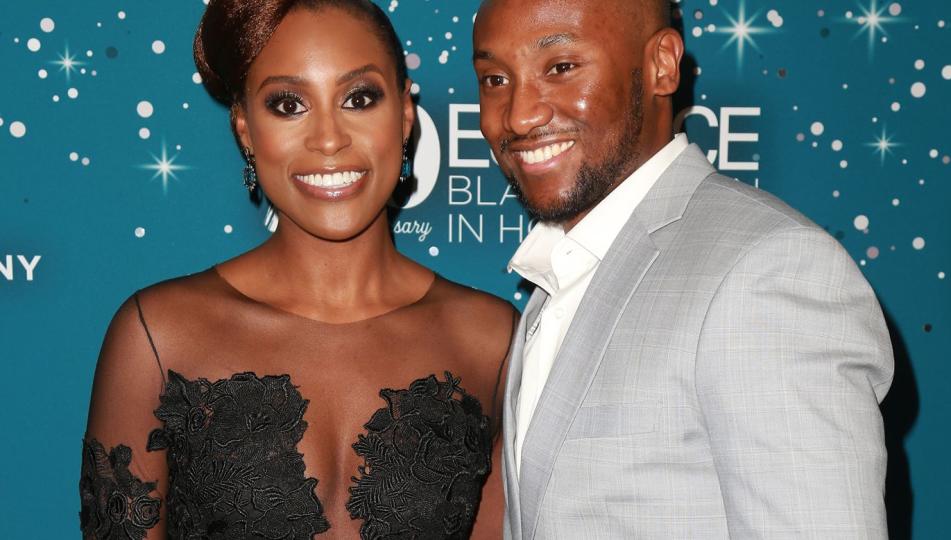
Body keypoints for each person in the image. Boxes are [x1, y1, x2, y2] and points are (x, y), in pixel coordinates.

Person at [80, 1, 515, 538]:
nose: (328, 139)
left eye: (359, 98)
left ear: (404, 115)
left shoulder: (491, 339)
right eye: (288, 105)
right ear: (245, 129)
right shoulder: (158, 335)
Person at [473, 0, 894, 538]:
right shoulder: (557, 277)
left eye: (560, 68)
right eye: (494, 79)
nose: (518, 115)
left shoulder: (767, 271)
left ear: (662, 65)